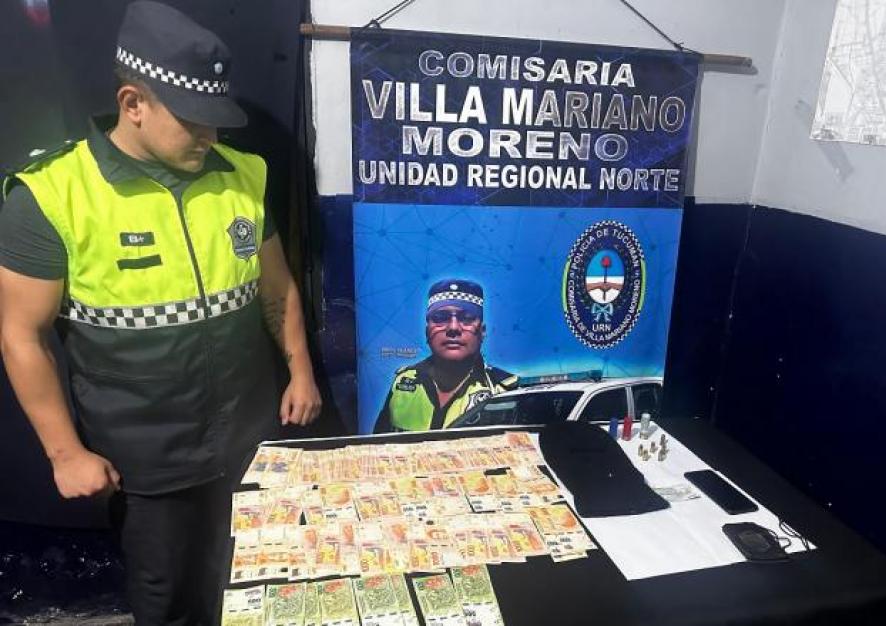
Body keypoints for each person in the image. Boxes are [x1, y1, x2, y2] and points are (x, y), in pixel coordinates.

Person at [0, 2, 321, 623]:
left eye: (217, 121)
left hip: (250, 435)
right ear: (133, 103)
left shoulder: (242, 175)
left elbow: (277, 286)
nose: (211, 138)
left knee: (255, 583)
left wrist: (300, 370)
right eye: (194, 122)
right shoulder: (52, 195)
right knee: (168, 601)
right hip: (147, 462)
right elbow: (21, 336)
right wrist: (65, 454)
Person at [374, 279, 517, 432]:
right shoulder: (402, 385)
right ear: (427, 331)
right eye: (440, 318)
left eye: (467, 318)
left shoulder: (505, 392)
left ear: (482, 332)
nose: (453, 328)